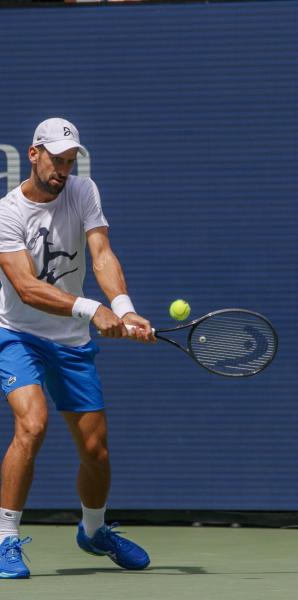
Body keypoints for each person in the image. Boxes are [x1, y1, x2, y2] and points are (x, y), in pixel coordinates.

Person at [0, 118, 155, 579]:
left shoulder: (84, 191)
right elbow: (26, 288)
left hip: (69, 340)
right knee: (32, 424)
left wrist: (124, 309)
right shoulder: (7, 213)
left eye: (70, 161)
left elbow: (101, 253)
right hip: (17, 332)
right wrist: (92, 309)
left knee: (96, 450)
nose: (62, 170)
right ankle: (5, 539)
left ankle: (93, 531)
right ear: (33, 154)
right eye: (55, 160)